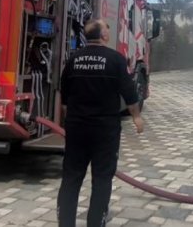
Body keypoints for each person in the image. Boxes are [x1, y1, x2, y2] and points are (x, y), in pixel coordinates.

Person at [57, 19, 144, 227]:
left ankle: (65, 223)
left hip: (77, 128)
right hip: (105, 131)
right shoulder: (115, 59)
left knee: (71, 178)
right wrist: (137, 117)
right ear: (104, 35)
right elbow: (129, 92)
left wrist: (70, 119)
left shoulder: (74, 59)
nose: (108, 29)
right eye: (107, 27)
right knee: (102, 179)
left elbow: (65, 93)